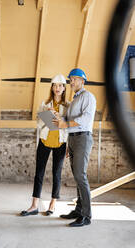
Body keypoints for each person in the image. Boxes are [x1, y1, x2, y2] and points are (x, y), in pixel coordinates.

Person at [20, 74, 68, 216]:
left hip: (60, 143)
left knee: (56, 174)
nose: (57, 88)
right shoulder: (44, 104)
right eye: (55, 85)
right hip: (44, 141)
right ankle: (34, 205)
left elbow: (69, 128)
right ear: (52, 88)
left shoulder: (68, 106)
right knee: (39, 173)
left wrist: (60, 118)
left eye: (60, 85)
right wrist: (46, 114)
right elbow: (38, 124)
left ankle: (52, 204)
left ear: (64, 88)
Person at [53, 68, 96, 227]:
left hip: (83, 138)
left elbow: (85, 119)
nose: (71, 82)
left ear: (83, 81)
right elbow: (68, 120)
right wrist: (58, 117)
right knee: (77, 177)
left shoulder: (88, 97)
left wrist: (65, 123)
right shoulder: (75, 100)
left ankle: (86, 216)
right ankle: (78, 210)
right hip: (72, 139)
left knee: (80, 176)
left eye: (75, 79)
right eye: (70, 79)